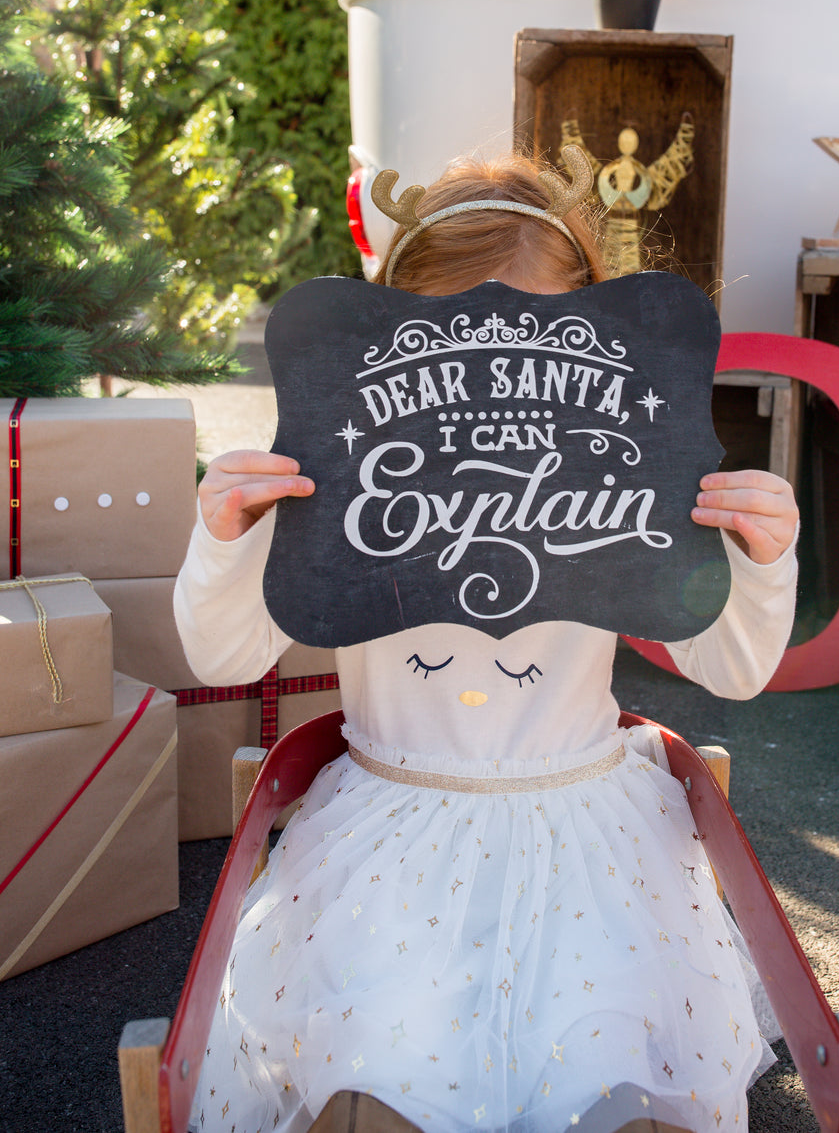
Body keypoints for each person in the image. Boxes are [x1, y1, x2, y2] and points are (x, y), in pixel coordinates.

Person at [175, 152, 799, 1133]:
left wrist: (760, 562)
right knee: (372, 1074)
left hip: (587, 836)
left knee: (611, 1073)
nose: (493, 377)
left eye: (535, 343)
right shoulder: (336, 470)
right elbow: (222, 658)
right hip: (389, 837)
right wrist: (224, 542)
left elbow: (734, 665)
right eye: (450, 349)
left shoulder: (624, 471)